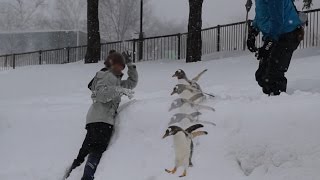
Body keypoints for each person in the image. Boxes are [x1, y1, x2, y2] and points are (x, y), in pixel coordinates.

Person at [64, 52, 138, 180]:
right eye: (122, 65)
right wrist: (119, 90)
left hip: (96, 119)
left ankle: (69, 175)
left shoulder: (115, 79)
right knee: (97, 149)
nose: (123, 68)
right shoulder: (107, 75)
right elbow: (101, 95)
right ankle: (87, 177)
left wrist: (131, 65)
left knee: (84, 151)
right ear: (113, 64)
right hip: (102, 120)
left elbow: (132, 82)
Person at [247, 0, 305, 96]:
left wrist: (268, 45)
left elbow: (277, 21)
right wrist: (253, 30)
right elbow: (261, 13)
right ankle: (270, 100)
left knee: (273, 75)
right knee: (262, 75)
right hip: (275, 35)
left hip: (288, 34)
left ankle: (278, 103)